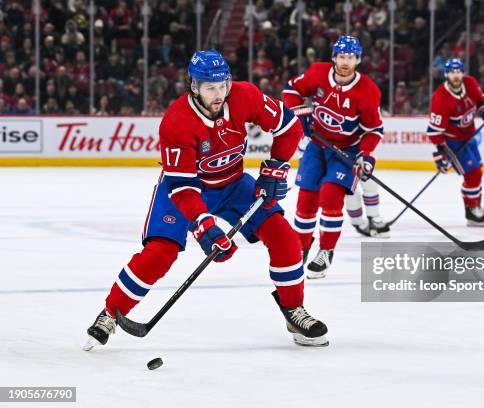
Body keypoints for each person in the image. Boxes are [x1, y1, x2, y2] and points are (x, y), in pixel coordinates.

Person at [84, 50, 328, 350]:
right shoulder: (176, 122)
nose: (219, 93)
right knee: (160, 253)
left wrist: (275, 168)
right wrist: (203, 224)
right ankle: (110, 313)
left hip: (234, 184)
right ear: (194, 86)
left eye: (222, 85)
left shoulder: (244, 95)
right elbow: (182, 186)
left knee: (284, 238)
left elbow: (289, 126)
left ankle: (293, 310)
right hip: (185, 189)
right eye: (210, 87)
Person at [282, 36, 384, 279]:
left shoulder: (368, 90)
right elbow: (291, 90)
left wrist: (367, 156)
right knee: (305, 200)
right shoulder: (317, 73)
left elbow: (373, 130)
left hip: (347, 151)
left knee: (330, 195)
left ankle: (326, 251)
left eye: (350, 57)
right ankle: (301, 248)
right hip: (317, 144)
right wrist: (300, 114)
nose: (345, 61)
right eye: (341, 56)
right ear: (334, 58)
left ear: (357, 60)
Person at [426, 58, 484, 226]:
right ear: (446, 74)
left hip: (469, 136)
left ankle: (476, 207)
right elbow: (434, 132)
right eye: (452, 72)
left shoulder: (470, 83)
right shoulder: (440, 98)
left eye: (459, 71)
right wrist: (440, 154)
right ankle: (471, 211)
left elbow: (481, 103)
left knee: (477, 171)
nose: (456, 75)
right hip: (452, 142)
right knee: (473, 174)